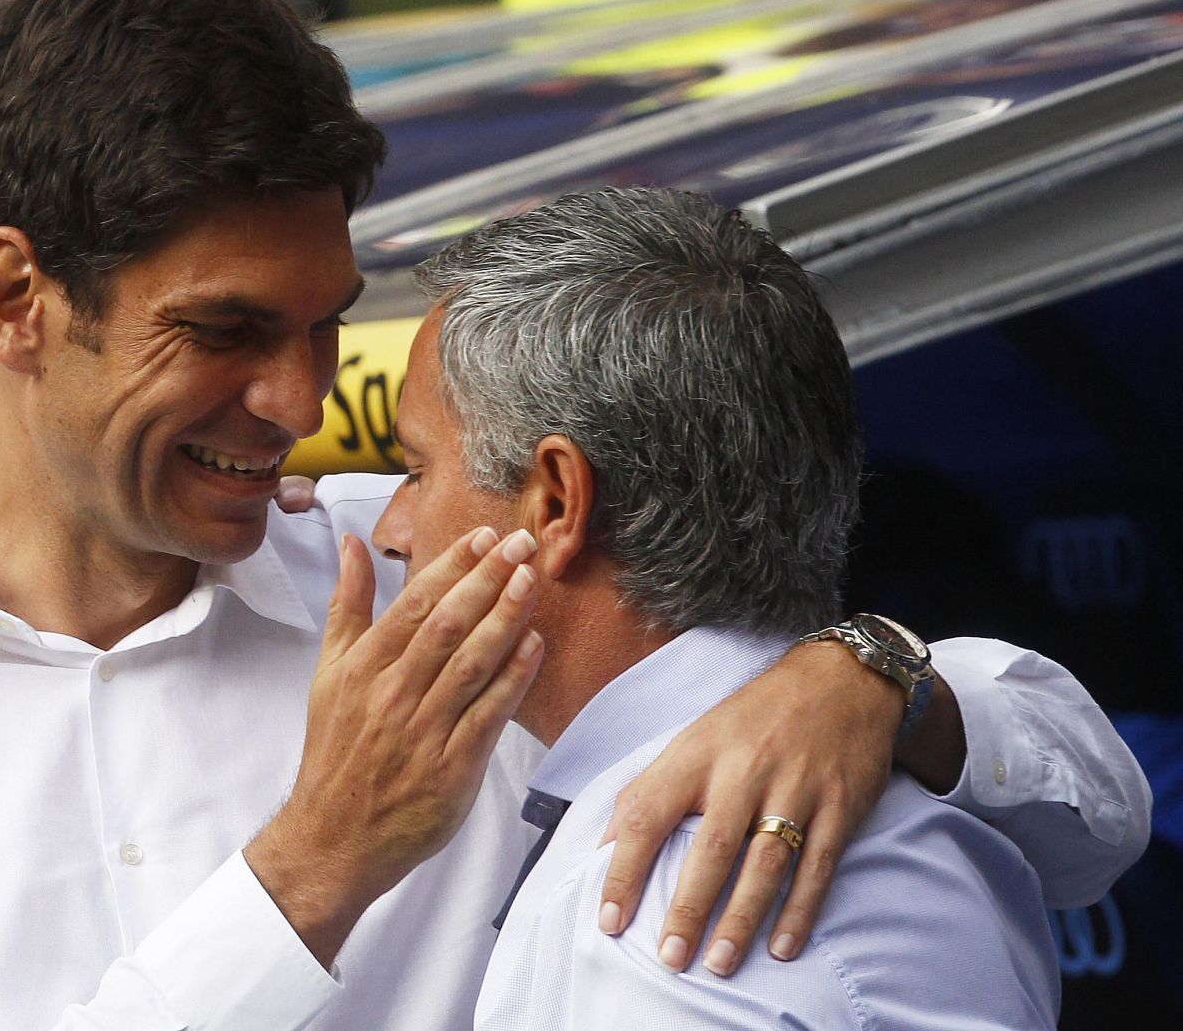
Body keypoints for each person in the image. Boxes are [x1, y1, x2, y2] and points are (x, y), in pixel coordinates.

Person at [0, 0, 1146, 1030]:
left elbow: (1086, 816)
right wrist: (313, 865)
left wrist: (879, 680)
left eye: (321, 323)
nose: (297, 405)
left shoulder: (439, 577)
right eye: (223, 331)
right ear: (16, 296)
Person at [367, 185, 1064, 1026]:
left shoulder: (671, 921)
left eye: (414, 470)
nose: (388, 526)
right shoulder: (885, 777)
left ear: (554, 504)